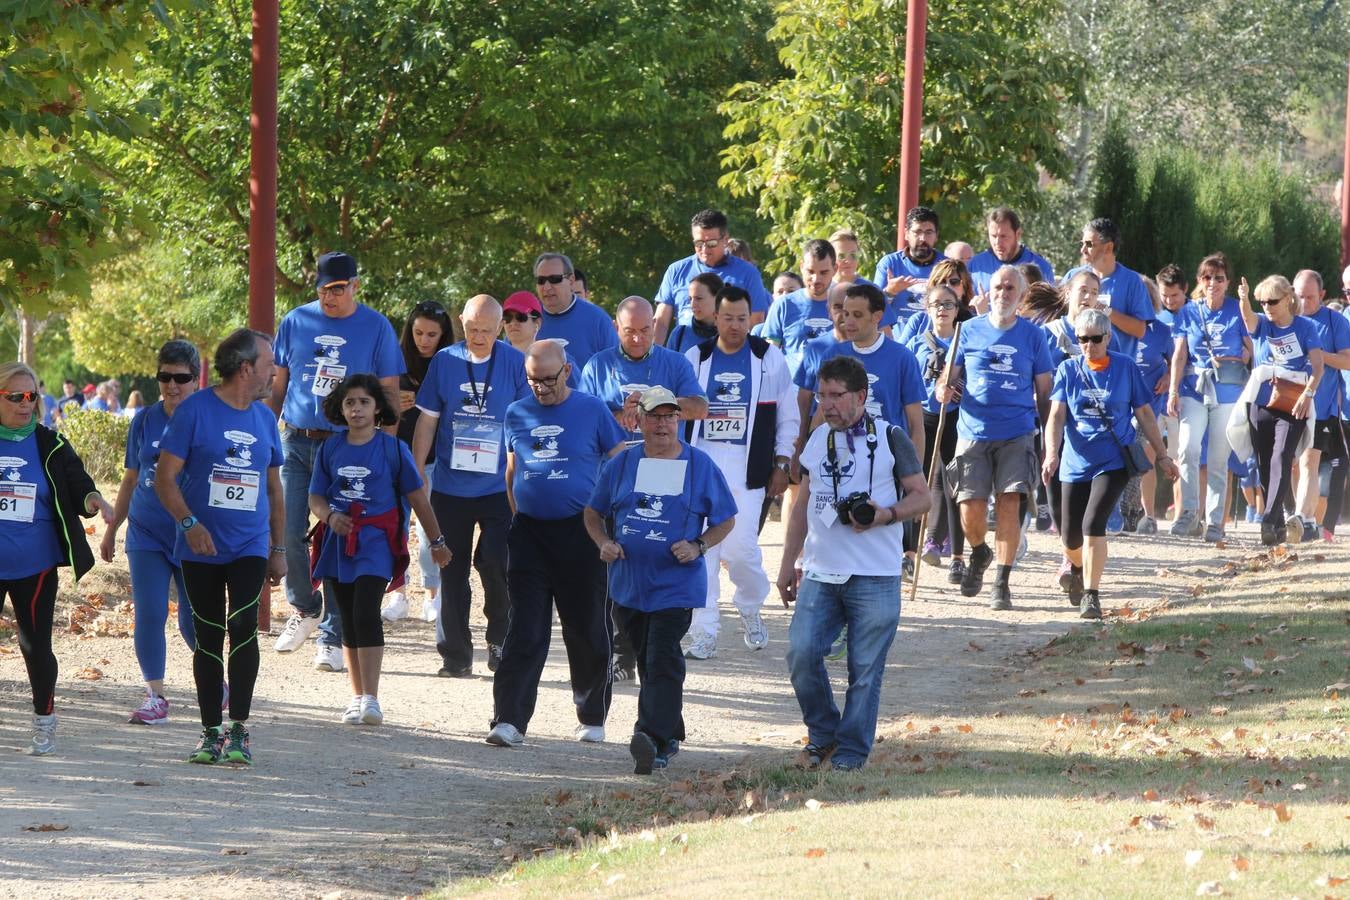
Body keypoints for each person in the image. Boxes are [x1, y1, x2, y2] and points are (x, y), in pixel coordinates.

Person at [777, 356, 929, 771]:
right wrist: (789, 562)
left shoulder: (891, 436)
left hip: (876, 573)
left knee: (864, 671)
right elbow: (802, 506)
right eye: (822, 395)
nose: (826, 404)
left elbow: (922, 496)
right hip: (821, 570)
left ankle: (850, 752)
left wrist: (886, 514)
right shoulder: (816, 438)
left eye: (836, 395)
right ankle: (824, 733)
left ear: (861, 396)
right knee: (801, 652)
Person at [584, 387, 736, 774]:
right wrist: (603, 542)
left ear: (680, 420)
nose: (663, 424)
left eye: (671, 417)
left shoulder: (700, 466)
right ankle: (670, 734)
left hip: (676, 584)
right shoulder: (622, 463)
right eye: (655, 416)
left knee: (662, 657)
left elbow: (726, 518)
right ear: (639, 419)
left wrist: (699, 545)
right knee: (651, 665)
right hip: (629, 584)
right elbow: (592, 512)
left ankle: (648, 736)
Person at [485, 342, 627, 748]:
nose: (541, 388)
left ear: (567, 370)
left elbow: (618, 458)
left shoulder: (592, 408)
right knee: (525, 629)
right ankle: (509, 719)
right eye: (533, 380)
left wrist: (610, 518)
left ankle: (591, 714)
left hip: (581, 532)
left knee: (586, 627)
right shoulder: (517, 412)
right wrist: (520, 516)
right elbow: (512, 472)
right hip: (530, 534)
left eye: (549, 379)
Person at [269, 251, 404, 673]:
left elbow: (389, 390)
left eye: (338, 289)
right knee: (289, 530)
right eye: (324, 289)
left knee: (338, 537)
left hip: (350, 445)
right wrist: (264, 433)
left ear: (355, 286)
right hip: (297, 440)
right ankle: (306, 608)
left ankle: (331, 633)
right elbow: (279, 383)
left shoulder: (376, 326)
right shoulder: (295, 321)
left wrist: (387, 450)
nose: (330, 297)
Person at [155, 329, 285, 765]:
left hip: (250, 543)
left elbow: (274, 488)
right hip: (201, 546)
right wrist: (189, 523)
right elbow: (164, 479)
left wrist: (279, 547)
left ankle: (239, 730)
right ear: (246, 368)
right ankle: (210, 730)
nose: (274, 371)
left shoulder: (265, 418)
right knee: (209, 635)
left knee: (244, 623)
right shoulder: (194, 411)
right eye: (268, 363)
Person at [309, 374, 451, 726]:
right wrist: (331, 515)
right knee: (346, 618)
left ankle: (372, 698)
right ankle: (356, 698)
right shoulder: (330, 448)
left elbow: (417, 496)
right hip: (337, 543)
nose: (356, 409)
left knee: (365, 612)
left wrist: (437, 542)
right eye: (349, 403)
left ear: (377, 409)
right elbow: (316, 496)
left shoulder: (393, 449)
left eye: (363, 402)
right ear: (340, 409)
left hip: (376, 543)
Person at [411, 294, 529, 677]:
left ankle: (500, 640)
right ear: (461, 322)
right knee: (451, 568)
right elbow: (427, 421)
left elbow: (526, 422)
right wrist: (417, 471)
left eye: (487, 330)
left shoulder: (513, 362)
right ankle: (456, 656)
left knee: (496, 563)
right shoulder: (445, 362)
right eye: (472, 328)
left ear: (500, 328)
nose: (479, 336)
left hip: (499, 487)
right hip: (450, 486)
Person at [0, 362, 113, 755]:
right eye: (15, 396)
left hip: (36, 562)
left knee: (34, 646)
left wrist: (93, 499)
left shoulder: (51, 443)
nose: (25, 404)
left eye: (31, 396)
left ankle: (44, 720)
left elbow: (79, 483)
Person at [682, 286, 798, 658]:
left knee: (740, 548)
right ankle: (704, 632)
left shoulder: (768, 358)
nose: (735, 325)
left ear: (753, 319)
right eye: (728, 317)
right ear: (715, 317)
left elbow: (788, 414)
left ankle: (750, 607)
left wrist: (782, 461)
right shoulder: (695, 358)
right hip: (702, 464)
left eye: (742, 318)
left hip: (749, 467)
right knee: (704, 551)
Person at [1042, 309, 1178, 620]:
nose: (1088, 345)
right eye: (1082, 339)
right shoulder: (1067, 369)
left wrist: (1162, 455)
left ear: (1108, 337)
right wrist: (1052, 453)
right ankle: (1076, 567)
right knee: (1070, 536)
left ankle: (1092, 594)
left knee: (1093, 525)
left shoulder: (1126, 368)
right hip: (1075, 462)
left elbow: (1144, 414)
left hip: (1113, 460)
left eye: (1095, 339)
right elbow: (1057, 417)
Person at [938, 265, 1054, 610]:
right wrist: (943, 388)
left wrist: (1049, 439)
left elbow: (1045, 392)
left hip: (1017, 431)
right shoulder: (967, 330)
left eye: (1010, 289)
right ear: (989, 292)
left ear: (1021, 297)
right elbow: (948, 377)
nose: (1003, 294)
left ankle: (1002, 582)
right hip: (973, 430)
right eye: (999, 287)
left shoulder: (1034, 337)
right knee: (970, 507)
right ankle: (979, 551)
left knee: (1010, 502)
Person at [100, 341, 203, 724]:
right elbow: (130, 477)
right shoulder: (144, 420)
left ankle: (216, 678)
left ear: (196, 379)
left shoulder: (208, 417)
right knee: (150, 612)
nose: (172, 385)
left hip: (192, 532)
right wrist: (113, 529)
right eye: (164, 376)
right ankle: (155, 696)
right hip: (145, 531)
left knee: (193, 621)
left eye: (181, 378)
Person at [1229, 276, 1323, 546]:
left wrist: (1309, 394)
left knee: (1282, 456)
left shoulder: (1305, 327)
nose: (1267, 306)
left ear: (1288, 299)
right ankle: (1278, 526)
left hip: (1293, 400)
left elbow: (1318, 367)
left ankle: (1268, 519)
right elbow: (1248, 319)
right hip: (1261, 400)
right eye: (1263, 302)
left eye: (1272, 301)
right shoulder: (1262, 324)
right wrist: (1245, 298)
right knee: (1264, 463)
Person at [1166, 253, 1251, 541]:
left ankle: (1215, 521)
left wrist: (1243, 355)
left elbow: (1252, 347)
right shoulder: (1188, 312)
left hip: (1228, 392)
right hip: (1193, 388)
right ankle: (1189, 513)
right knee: (1187, 449)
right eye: (1207, 277)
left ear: (1227, 282)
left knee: (1217, 458)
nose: (1212, 282)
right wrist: (1173, 390)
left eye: (1219, 277)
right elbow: (1179, 354)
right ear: (1199, 280)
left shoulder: (1237, 310)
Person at [386, 299, 455, 623]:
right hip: (396, 459)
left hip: (433, 462)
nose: (424, 340)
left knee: (431, 533)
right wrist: (392, 404)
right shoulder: (393, 364)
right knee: (394, 529)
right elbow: (372, 407)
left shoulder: (450, 365)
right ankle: (397, 593)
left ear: (443, 336)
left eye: (432, 334)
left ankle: (433, 595)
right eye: (418, 333)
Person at [579, 296, 707, 445]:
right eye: (629, 331)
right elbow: (582, 419)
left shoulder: (677, 362)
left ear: (653, 325)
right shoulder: (597, 366)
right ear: (616, 328)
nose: (637, 339)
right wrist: (620, 416)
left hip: (665, 461)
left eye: (644, 330)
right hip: (614, 462)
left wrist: (655, 403)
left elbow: (700, 408)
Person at [906, 284, 967, 584]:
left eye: (948, 304)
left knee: (953, 484)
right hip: (924, 418)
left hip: (956, 420)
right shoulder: (917, 344)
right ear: (927, 309)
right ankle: (910, 553)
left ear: (957, 310)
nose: (942, 309)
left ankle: (956, 555)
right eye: (936, 304)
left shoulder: (964, 343)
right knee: (917, 483)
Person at [1289, 270, 1350, 542]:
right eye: (1299, 296)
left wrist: (1319, 355)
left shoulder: (1334, 321)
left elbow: (1347, 362)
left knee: (1308, 461)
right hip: (1287, 403)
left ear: (1322, 295)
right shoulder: (1285, 319)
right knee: (1292, 464)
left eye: (1310, 297)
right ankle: (1304, 518)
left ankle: (1303, 519)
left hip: (1321, 406)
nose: (1304, 303)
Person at [653, 209, 772, 344]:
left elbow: (755, 323)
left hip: (729, 357)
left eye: (711, 244)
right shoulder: (677, 270)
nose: (704, 249)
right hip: (684, 357)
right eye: (698, 244)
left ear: (725, 240)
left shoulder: (747, 273)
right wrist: (653, 358)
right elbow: (661, 322)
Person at [1138, 264, 1191, 533]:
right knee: (1147, 455)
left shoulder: (1174, 322)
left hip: (1177, 399)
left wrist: (1169, 376)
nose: (1167, 301)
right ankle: (1148, 515)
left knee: (1178, 455)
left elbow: (1178, 359)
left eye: (1173, 296)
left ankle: (1181, 516)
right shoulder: (1132, 326)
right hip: (1145, 404)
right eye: (1163, 296)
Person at [1066, 218, 1154, 361]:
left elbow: (1140, 330)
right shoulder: (1074, 276)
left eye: (1089, 244)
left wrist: (1107, 312)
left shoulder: (1132, 281)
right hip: (1078, 368)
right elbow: (1055, 312)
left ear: (1108, 248)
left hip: (1116, 372)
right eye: (1082, 244)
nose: (1082, 250)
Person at [762, 239, 839, 380]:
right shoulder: (783, 305)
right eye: (810, 271)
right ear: (801, 267)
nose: (816, 279)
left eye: (823, 272)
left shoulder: (846, 305)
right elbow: (770, 356)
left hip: (835, 394)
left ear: (835, 269)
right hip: (791, 393)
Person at [532, 253, 618, 369]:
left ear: (571, 280)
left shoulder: (598, 320)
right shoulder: (524, 319)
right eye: (541, 280)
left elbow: (615, 368)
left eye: (554, 279)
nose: (547, 287)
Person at [873, 206, 945, 326]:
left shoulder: (946, 266)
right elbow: (871, 309)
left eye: (929, 232)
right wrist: (889, 293)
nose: (922, 239)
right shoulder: (890, 263)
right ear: (906, 234)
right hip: (897, 339)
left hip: (934, 339)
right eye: (917, 232)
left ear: (936, 235)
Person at [968, 207, 1057, 294]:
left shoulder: (1041, 267)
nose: (997, 242)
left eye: (1003, 236)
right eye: (993, 236)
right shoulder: (975, 266)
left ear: (1018, 234)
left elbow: (1048, 307)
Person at [666, 273, 724, 356]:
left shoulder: (736, 334)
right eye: (690, 299)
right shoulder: (680, 334)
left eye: (699, 298)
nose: (692, 305)